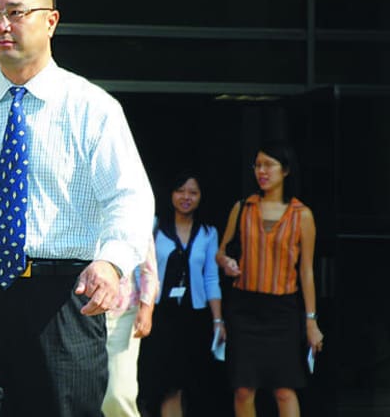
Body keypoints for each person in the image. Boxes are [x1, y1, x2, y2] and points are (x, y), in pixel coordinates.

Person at [0, 0, 154, 416]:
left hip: (62, 303)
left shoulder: (93, 109)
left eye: (15, 12)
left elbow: (130, 198)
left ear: (51, 20)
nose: (1, 25)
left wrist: (111, 262)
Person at [216, 140, 324, 417]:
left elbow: (307, 271)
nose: (261, 171)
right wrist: (226, 263)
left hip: (283, 310)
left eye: (268, 165)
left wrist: (311, 321)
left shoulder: (302, 215)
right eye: (258, 165)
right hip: (244, 307)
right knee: (243, 388)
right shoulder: (243, 207)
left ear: (285, 170)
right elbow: (221, 251)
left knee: (285, 389)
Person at [137, 170, 224, 417]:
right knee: (160, 381)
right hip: (159, 315)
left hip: (194, 317)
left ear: (201, 197)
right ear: (171, 194)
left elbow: (210, 278)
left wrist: (218, 320)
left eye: (193, 192)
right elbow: (142, 270)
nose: (186, 197)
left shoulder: (208, 233)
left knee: (187, 382)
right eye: (180, 191)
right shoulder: (154, 227)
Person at [102, 238, 159, 417]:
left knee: (119, 393)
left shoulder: (134, 211)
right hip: (81, 314)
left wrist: (146, 308)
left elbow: (148, 270)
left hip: (123, 315)